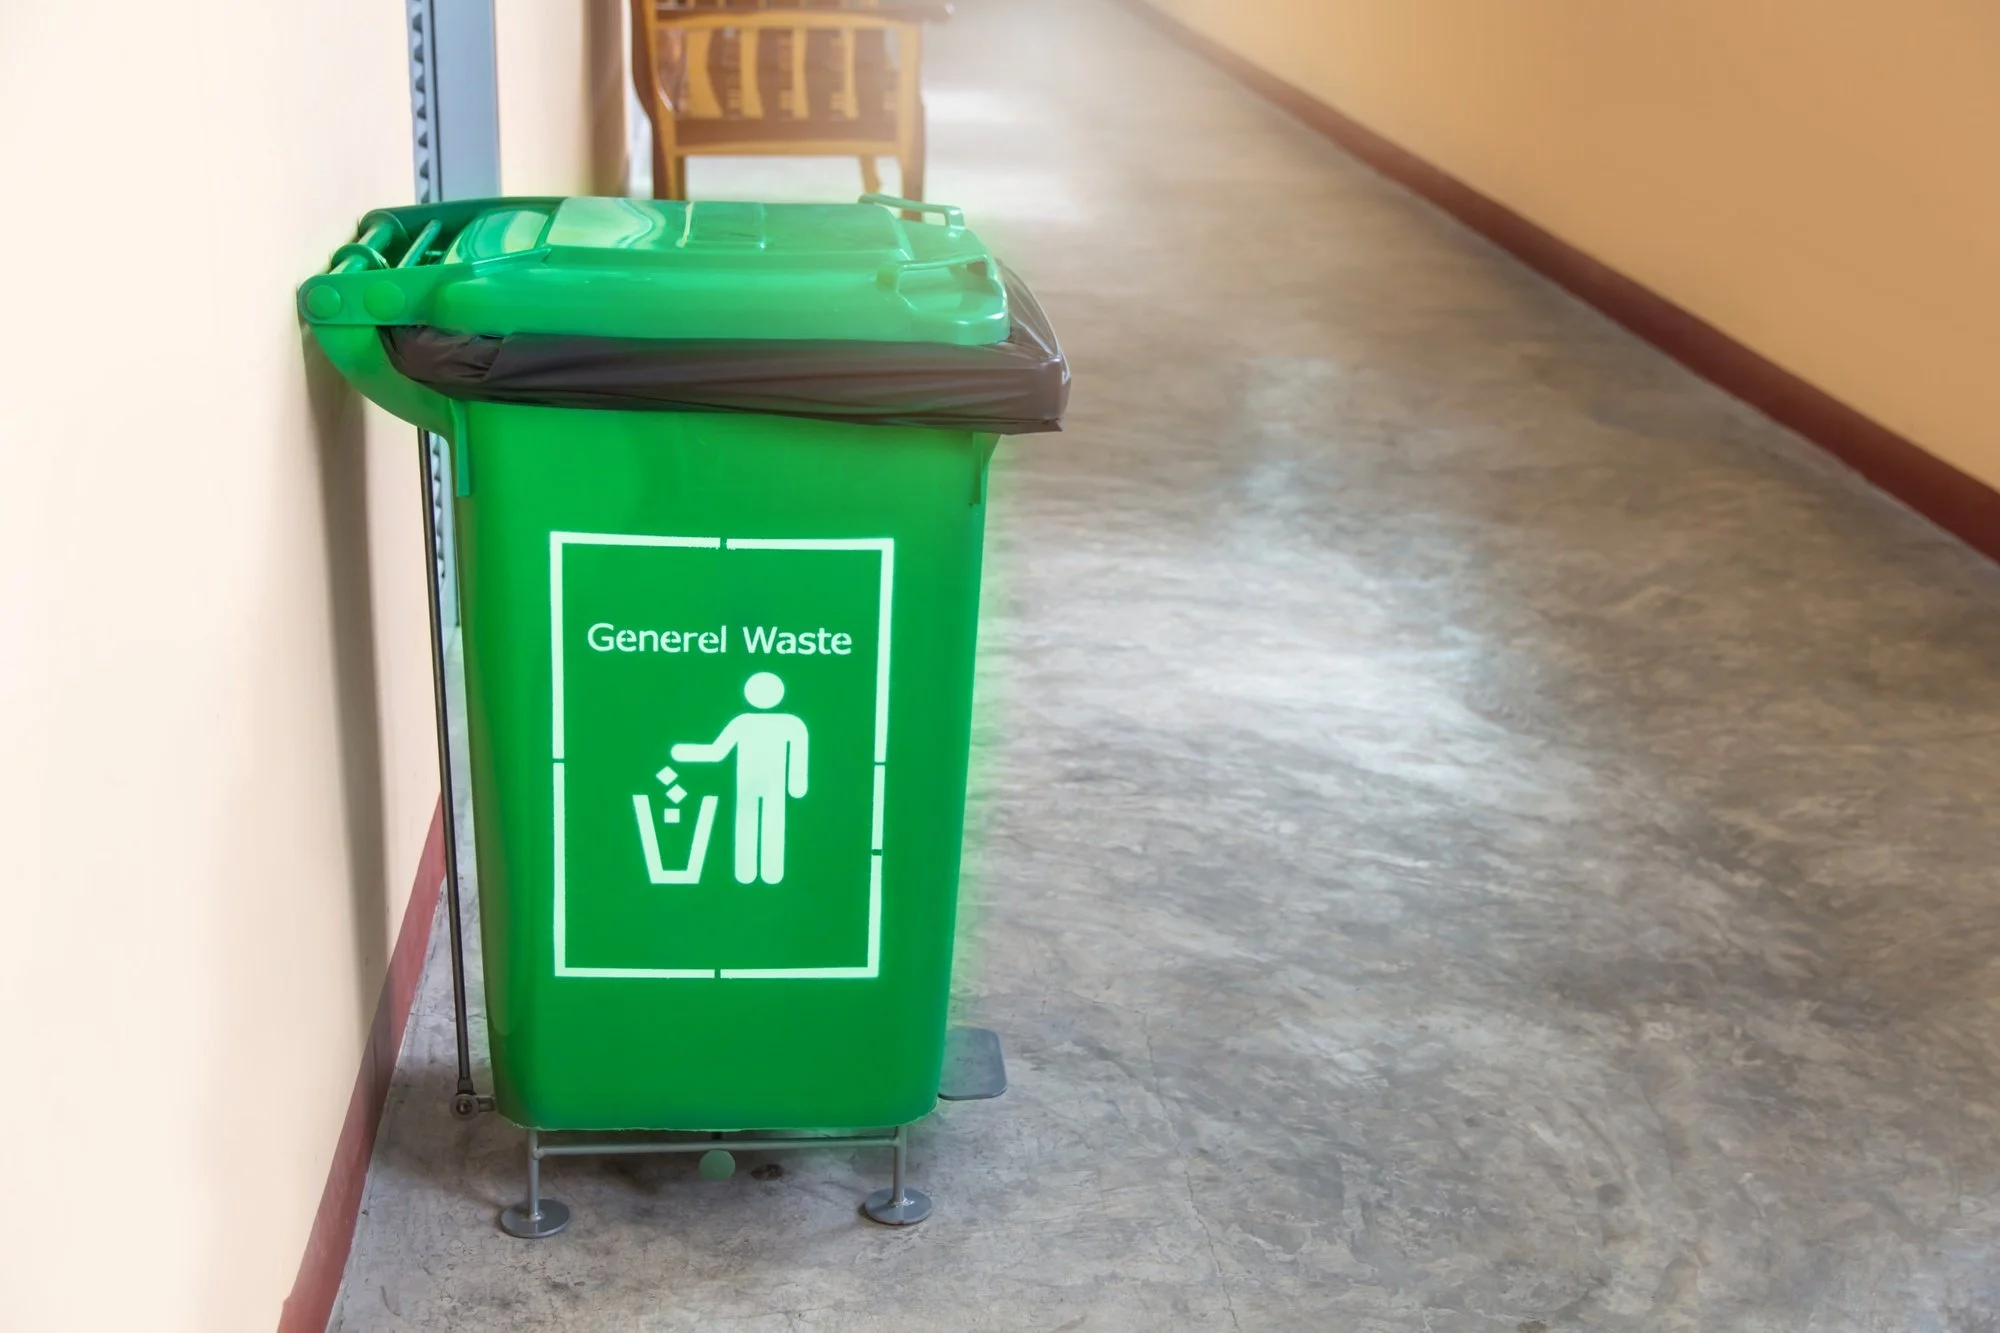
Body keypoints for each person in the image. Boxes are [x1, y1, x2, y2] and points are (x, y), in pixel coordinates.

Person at [670, 672, 808, 885]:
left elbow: (799, 753)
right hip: (747, 785)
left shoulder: (790, 724)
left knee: (771, 822)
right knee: (749, 821)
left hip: (773, 785)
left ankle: (771, 872)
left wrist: (797, 784)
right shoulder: (744, 723)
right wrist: (684, 753)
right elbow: (717, 752)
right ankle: (746, 872)